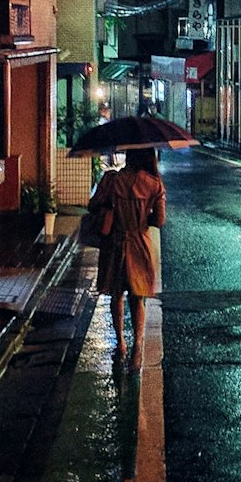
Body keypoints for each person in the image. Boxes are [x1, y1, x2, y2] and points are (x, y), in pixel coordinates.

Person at [89, 147, 166, 371]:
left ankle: (121, 343)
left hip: (114, 243)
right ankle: (137, 348)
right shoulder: (154, 184)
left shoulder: (112, 180)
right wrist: (143, 215)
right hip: (139, 245)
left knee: (116, 294)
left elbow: (92, 206)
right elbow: (159, 220)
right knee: (137, 297)